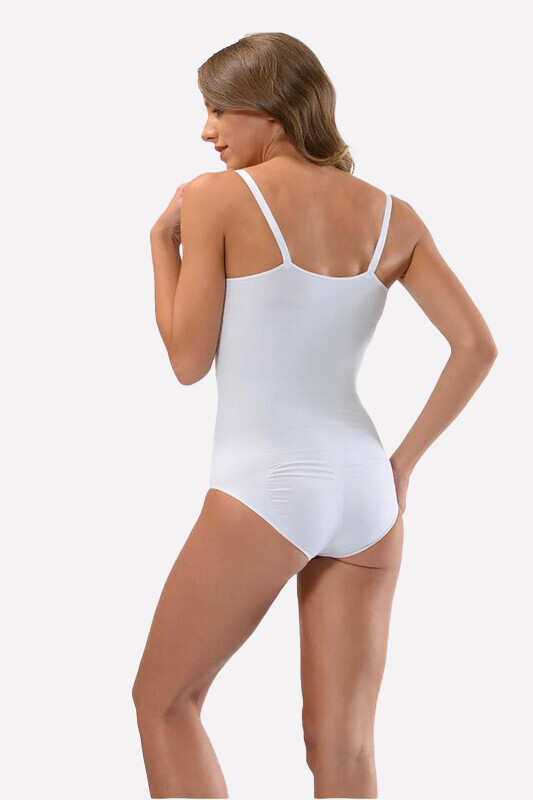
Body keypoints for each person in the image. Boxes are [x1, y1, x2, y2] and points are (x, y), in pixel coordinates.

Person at [132, 32, 497, 799]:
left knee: (164, 702)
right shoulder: (393, 215)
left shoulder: (216, 197)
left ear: (269, 109)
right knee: (343, 749)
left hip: (266, 485)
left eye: (218, 109)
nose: (206, 131)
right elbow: (475, 347)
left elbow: (187, 363)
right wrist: (401, 465)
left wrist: (159, 247)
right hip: (366, 491)